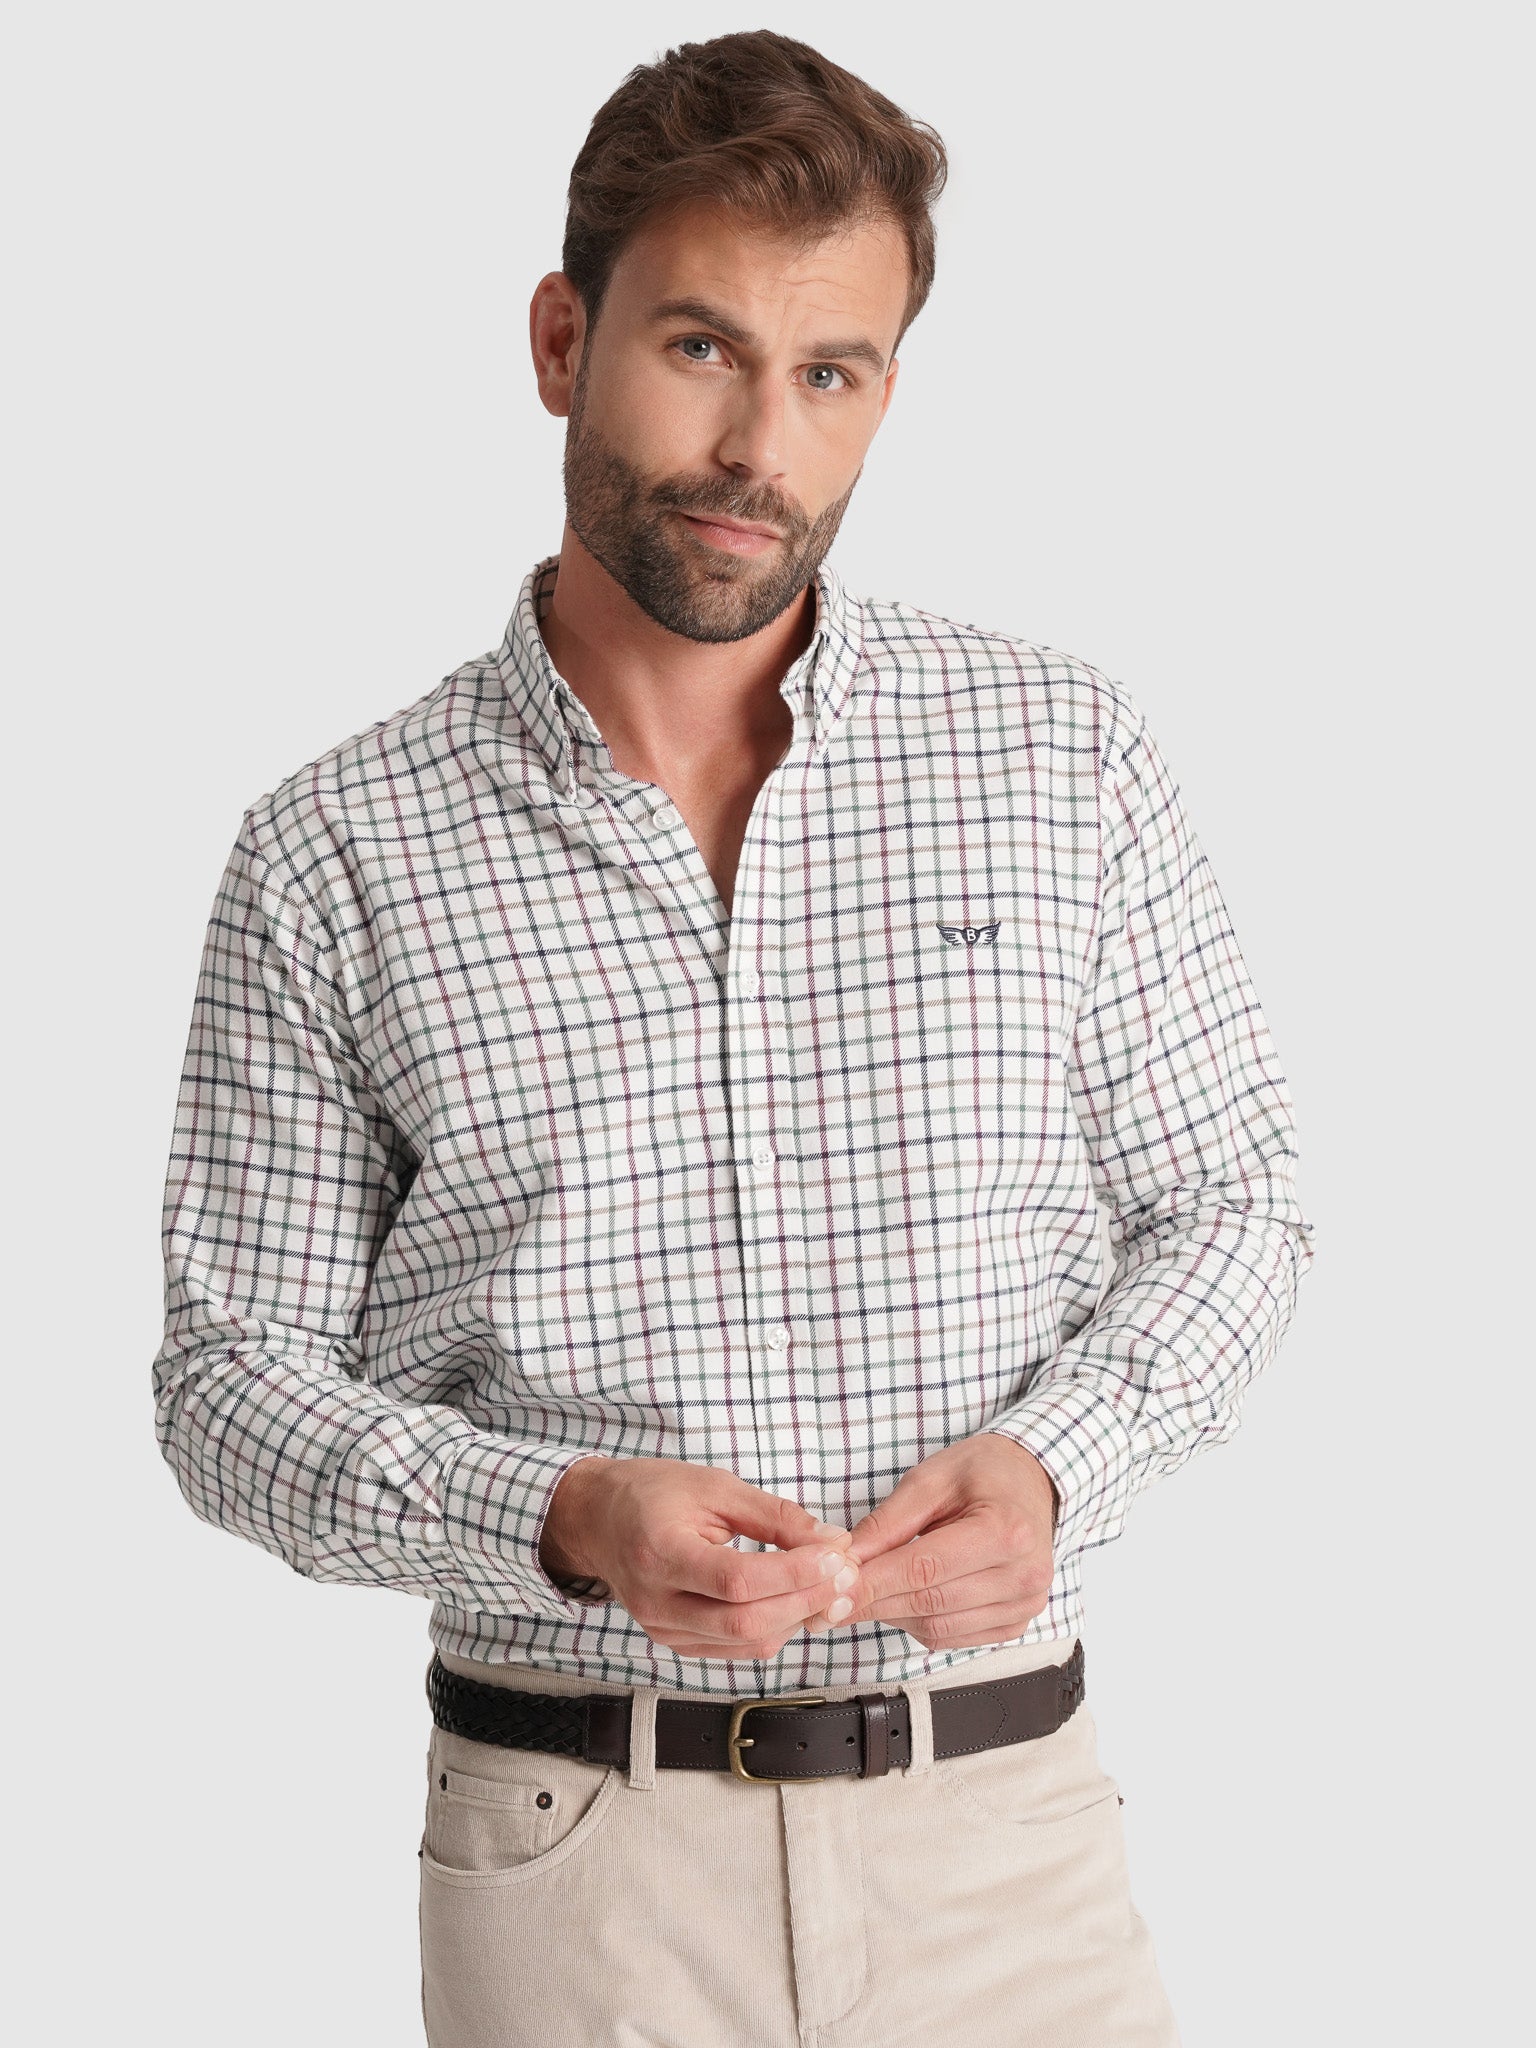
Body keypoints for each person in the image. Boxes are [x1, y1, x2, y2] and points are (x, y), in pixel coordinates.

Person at [152, 28, 1316, 2048]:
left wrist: (1061, 1463)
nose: (759, 446)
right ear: (561, 340)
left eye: (831, 373)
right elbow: (225, 1382)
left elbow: (1238, 1202)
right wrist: (560, 1517)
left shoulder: (1059, 756)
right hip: (578, 1862)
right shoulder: (334, 848)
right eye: (700, 348)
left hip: (1004, 1837)